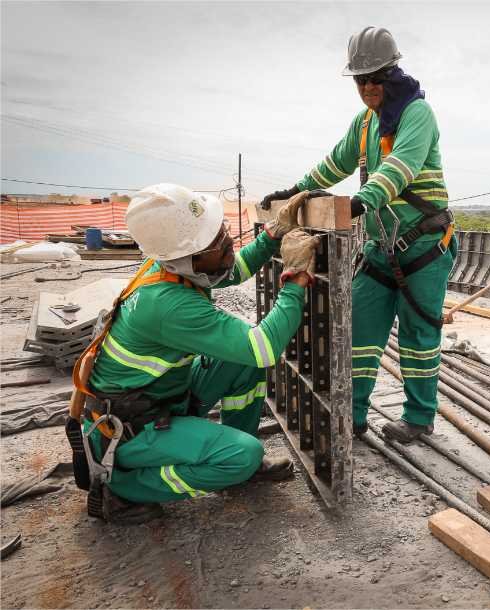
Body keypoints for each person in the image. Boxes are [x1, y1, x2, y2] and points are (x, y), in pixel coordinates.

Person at [77, 183, 320, 524]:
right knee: (243, 453)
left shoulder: (172, 265)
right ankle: (122, 488)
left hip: (157, 399)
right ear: (189, 256)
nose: (229, 242)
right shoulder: (167, 305)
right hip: (130, 429)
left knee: (241, 363)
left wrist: (273, 234)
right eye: (218, 241)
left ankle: (241, 465)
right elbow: (264, 348)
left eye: (222, 231)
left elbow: (232, 270)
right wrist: (295, 279)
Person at [261, 26, 455, 444]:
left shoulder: (417, 114)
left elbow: (400, 166)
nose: (368, 87)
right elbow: (336, 163)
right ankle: (353, 414)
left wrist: (361, 202)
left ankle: (419, 419)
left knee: (419, 338)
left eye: (376, 78)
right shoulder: (366, 123)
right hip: (382, 248)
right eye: (360, 80)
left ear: (392, 72)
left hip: (424, 247)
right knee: (360, 333)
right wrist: (295, 190)